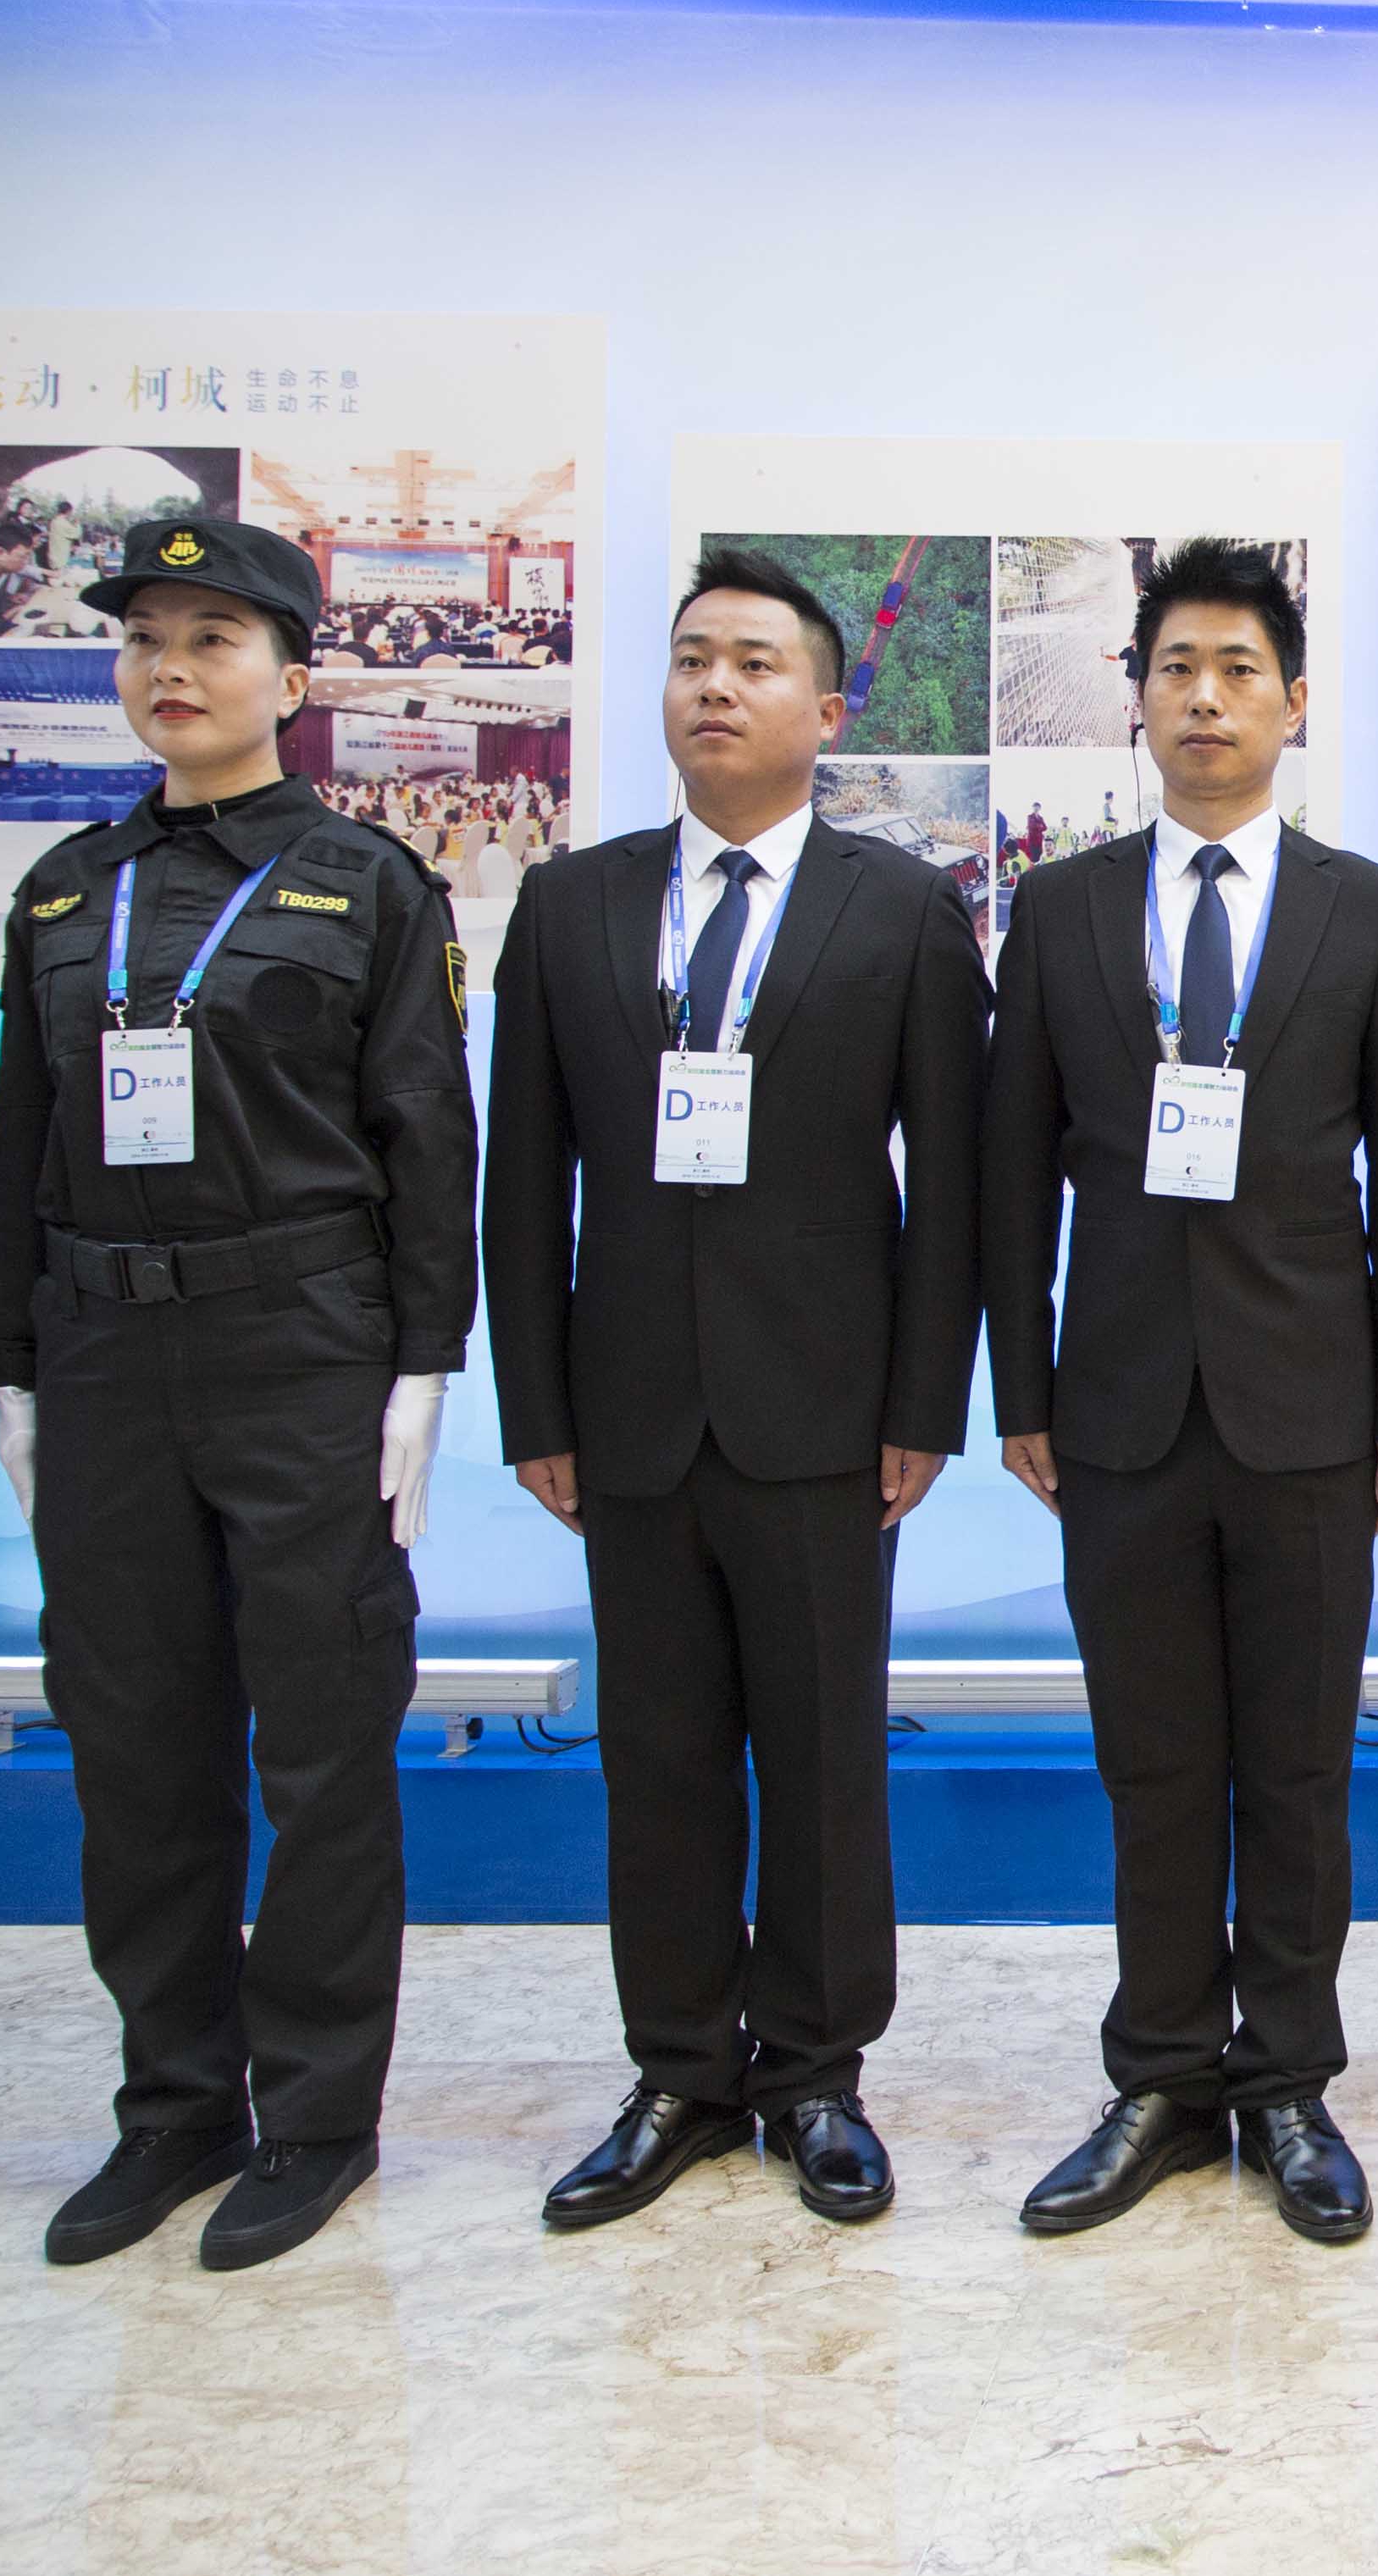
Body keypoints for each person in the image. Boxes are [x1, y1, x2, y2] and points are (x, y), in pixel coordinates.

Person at [0, 517, 479, 2274]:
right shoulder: (64, 891)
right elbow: (22, 1147)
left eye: (211, 636)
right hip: (104, 1354)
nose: (170, 668)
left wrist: (423, 1366)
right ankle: (174, 2103)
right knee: (134, 1747)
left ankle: (319, 2113)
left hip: (301, 1350)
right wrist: (12, 1367)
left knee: (323, 1750)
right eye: (144, 638)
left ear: (293, 674)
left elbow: (427, 1136)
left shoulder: (366, 884)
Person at [486, 551, 989, 2235]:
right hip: (626, 1411)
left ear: (826, 711)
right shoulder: (570, 904)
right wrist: (535, 1405)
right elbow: (523, 1175)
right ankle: (682, 2070)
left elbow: (952, 1180)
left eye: (755, 662)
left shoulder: (900, 907)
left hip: (828, 1415)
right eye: (693, 656)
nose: (715, 684)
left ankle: (818, 2072)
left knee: (826, 1752)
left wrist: (923, 1404)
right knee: (659, 1754)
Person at [984, 538, 1378, 2245]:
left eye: (1239, 667)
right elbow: (1011, 1169)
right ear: (1136, 696)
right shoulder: (1060, 910)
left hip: (1312, 1411)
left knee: (1299, 1766)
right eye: (1175, 665)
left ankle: (1291, 2082)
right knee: (1154, 1760)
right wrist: (1019, 1385)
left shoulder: (1365, 910)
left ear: (1293, 702)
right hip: (1113, 1409)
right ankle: (1165, 2076)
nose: (1205, 695)